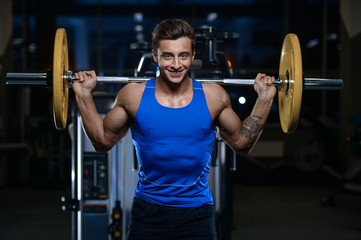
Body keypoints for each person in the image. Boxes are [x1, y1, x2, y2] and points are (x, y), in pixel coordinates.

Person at [73, 18, 277, 240]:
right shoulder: (133, 96)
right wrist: (83, 95)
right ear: (155, 56)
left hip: (196, 216)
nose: (176, 64)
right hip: (147, 212)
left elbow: (241, 143)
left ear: (193, 55)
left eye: (183, 55)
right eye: (168, 55)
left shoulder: (213, 97)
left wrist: (264, 99)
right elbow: (102, 141)